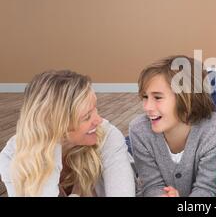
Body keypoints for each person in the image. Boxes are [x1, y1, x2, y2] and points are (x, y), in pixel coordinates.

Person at [0, 70, 135, 196]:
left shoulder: (107, 135)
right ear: (55, 124)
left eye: (95, 108)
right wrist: (51, 148)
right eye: (87, 116)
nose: (98, 120)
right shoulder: (13, 158)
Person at [129, 56, 216, 197]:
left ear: (186, 99)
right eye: (145, 97)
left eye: (157, 97)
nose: (147, 107)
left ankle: (214, 80)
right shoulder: (139, 129)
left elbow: (208, 188)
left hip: (205, 120)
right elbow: (151, 185)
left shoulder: (215, 130)